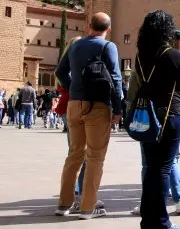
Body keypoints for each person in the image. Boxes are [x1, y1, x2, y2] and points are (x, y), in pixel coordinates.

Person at [54, 12, 123, 220]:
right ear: (108, 29)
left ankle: (64, 204)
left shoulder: (75, 45)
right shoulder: (108, 46)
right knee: (95, 157)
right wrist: (118, 109)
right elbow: (116, 78)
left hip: (74, 104)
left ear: (88, 25)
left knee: (74, 155)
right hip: (98, 106)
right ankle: (87, 207)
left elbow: (60, 71)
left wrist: (74, 88)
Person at [129, 10, 180, 229]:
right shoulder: (173, 55)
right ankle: (161, 223)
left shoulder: (141, 56)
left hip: (148, 118)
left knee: (152, 169)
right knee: (163, 168)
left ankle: (148, 220)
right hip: (170, 116)